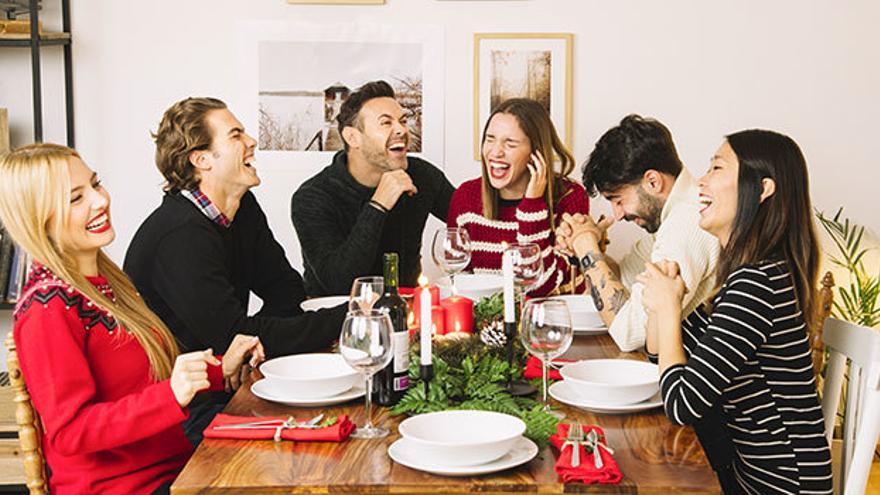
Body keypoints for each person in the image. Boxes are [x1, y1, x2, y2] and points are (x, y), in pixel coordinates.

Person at [0, 143, 260, 495]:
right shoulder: (47, 308)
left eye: (95, 184)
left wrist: (220, 368)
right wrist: (172, 394)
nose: (99, 200)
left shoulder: (106, 283)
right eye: (75, 198)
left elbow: (135, 380)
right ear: (37, 219)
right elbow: (70, 431)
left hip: (175, 469)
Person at [639, 130, 832, 494]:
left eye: (716, 167)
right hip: (750, 475)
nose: (701, 180)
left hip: (782, 486)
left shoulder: (757, 284)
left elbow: (681, 405)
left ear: (762, 189)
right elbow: (660, 359)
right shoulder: (750, 277)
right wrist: (663, 303)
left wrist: (668, 309)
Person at [125, 97, 346, 359]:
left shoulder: (242, 207)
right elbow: (229, 337)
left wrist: (248, 347)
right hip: (186, 393)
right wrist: (351, 315)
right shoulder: (180, 236)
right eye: (235, 135)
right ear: (202, 159)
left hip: (226, 377)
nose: (251, 141)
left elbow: (286, 290)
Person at [556, 114, 719, 350]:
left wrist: (586, 246)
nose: (618, 214)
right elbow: (624, 281)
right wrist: (588, 250)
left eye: (618, 200)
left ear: (653, 181)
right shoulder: (675, 212)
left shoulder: (688, 222)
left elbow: (630, 333)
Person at [291, 80, 455, 296]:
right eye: (386, 123)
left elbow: (471, 220)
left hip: (408, 315)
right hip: (338, 320)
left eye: (403, 121)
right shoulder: (312, 197)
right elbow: (338, 284)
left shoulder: (422, 176)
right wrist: (378, 205)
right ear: (353, 137)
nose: (402, 130)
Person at [447, 98, 589, 296]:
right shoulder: (465, 198)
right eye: (490, 139)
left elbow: (542, 287)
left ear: (535, 152)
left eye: (510, 143)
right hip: (490, 322)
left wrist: (533, 205)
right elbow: (460, 283)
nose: (495, 152)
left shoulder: (571, 196)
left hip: (555, 319)